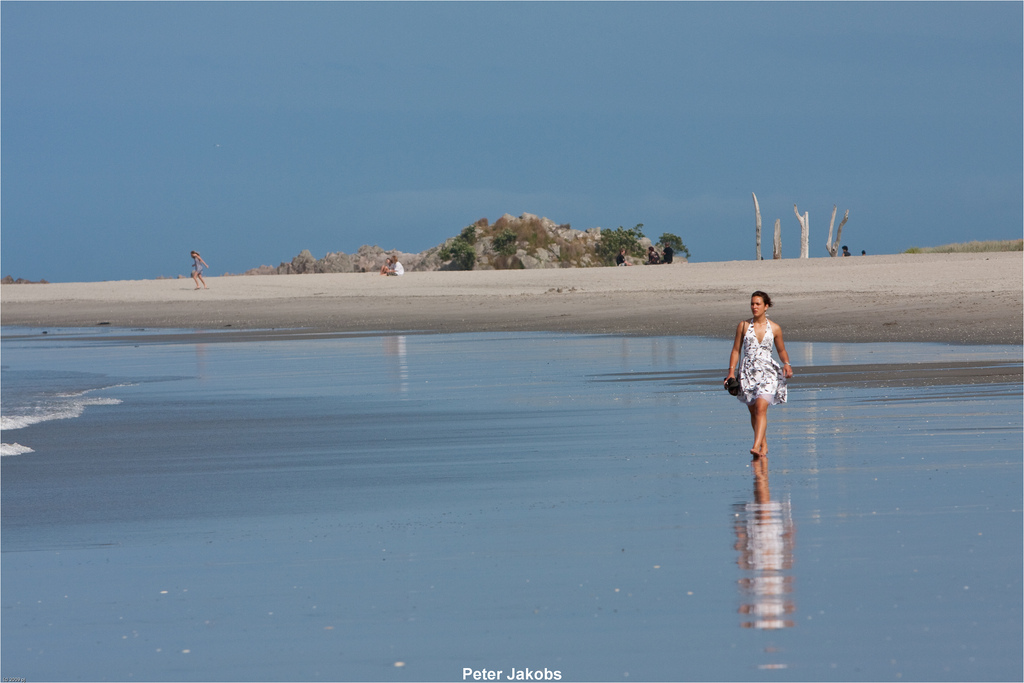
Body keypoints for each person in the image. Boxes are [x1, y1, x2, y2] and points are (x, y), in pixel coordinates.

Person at [724, 291, 793, 458]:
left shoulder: (775, 328)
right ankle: (763, 443)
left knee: (761, 408)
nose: (754, 307)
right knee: (754, 411)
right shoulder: (743, 326)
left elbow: (781, 350)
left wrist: (787, 364)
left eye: (758, 304)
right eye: (752, 304)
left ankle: (755, 446)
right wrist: (731, 372)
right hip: (747, 372)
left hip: (767, 372)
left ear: (766, 306)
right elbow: (736, 350)